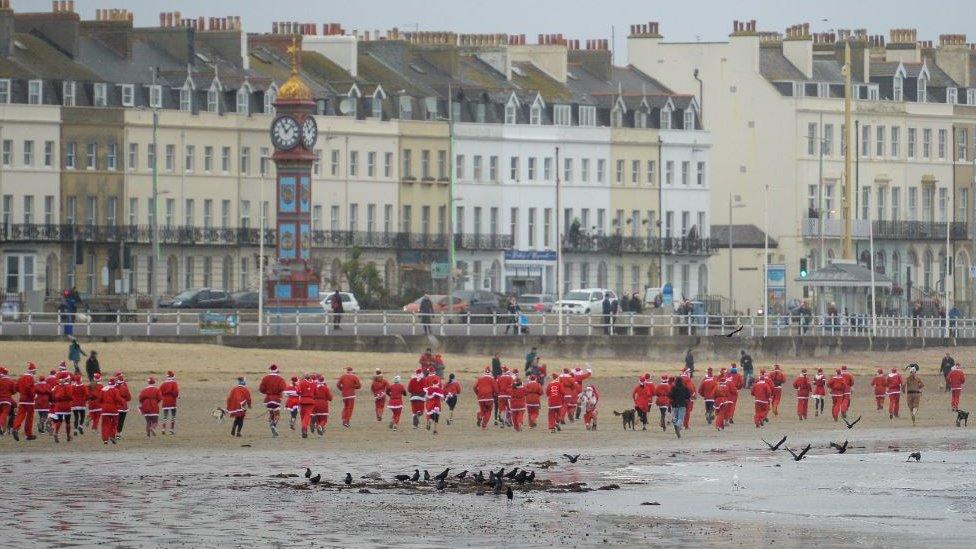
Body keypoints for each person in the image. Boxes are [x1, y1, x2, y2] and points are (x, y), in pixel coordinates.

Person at [11, 362, 38, 441]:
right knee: (29, 418)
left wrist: (22, 393)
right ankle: (28, 434)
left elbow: (16, 387)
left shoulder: (21, 378)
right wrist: (34, 395)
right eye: (34, 371)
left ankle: (15, 428)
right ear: (32, 371)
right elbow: (28, 388)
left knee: (20, 415)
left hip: (22, 400)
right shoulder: (30, 378)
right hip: (29, 401)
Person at [259, 364, 287, 437]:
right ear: (277, 370)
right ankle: (273, 425)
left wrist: (267, 392)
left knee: (271, 414)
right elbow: (283, 388)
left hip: (268, 399)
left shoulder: (265, 378)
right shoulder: (280, 379)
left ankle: (273, 430)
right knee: (277, 414)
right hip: (276, 399)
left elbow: (261, 389)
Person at [99, 377, 125, 444]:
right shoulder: (115, 390)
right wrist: (122, 403)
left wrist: (103, 404)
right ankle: (112, 436)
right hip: (113, 409)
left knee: (105, 425)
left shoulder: (103, 389)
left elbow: (99, 399)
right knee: (114, 424)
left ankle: (105, 439)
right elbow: (118, 398)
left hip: (105, 410)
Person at [50, 374, 73, 443]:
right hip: (66, 406)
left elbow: (53, 396)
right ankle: (68, 436)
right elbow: (70, 396)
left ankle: (56, 432)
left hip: (58, 406)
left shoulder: (56, 387)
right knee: (67, 421)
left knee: (59, 420)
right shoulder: (68, 386)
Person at [159, 371, 180, 435]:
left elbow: (159, 392)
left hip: (165, 401)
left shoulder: (163, 384)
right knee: (173, 416)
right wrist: (177, 396)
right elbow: (175, 392)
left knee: (165, 416)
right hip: (172, 401)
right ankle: (171, 429)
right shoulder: (174, 383)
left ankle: (163, 428)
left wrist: (163, 397)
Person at [297, 373, 316, 438]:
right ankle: (304, 428)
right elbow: (316, 393)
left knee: (303, 416)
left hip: (302, 401)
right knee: (307, 416)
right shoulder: (314, 383)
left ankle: (304, 429)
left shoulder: (301, 383)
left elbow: (298, 391)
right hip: (311, 401)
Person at [0, 367, 15, 436]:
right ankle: (5, 427)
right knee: (5, 414)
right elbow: (14, 391)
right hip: (7, 400)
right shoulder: (10, 381)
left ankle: (5, 429)